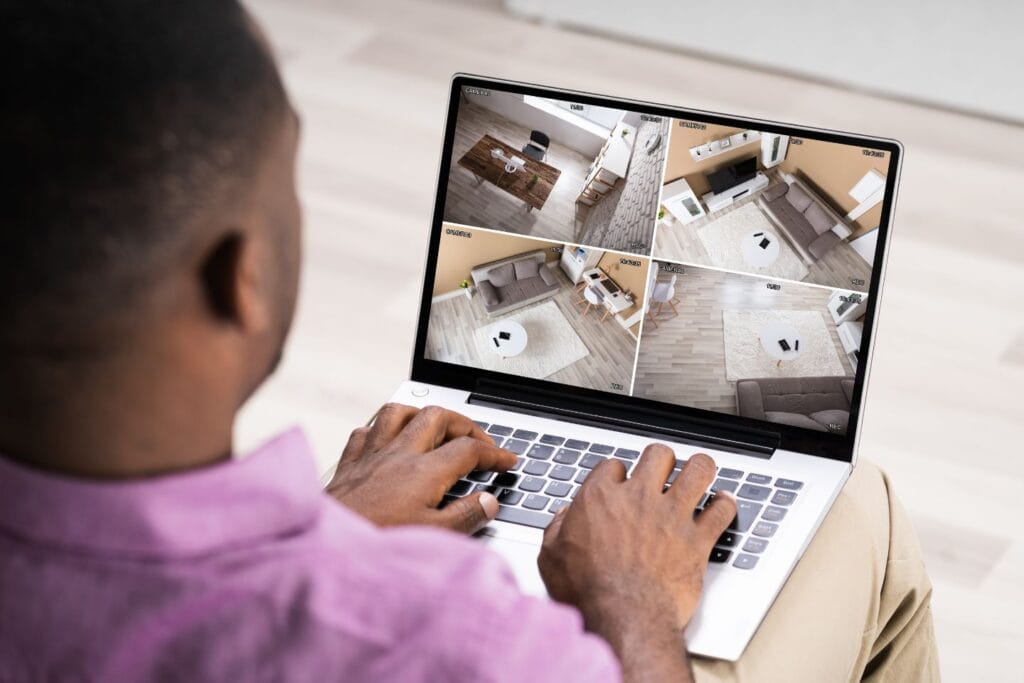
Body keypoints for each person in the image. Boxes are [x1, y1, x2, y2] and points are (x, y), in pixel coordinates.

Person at [0, 2, 939, 681]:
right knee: (863, 507)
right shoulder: (445, 640)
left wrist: (329, 531)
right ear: (239, 278)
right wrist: (633, 609)